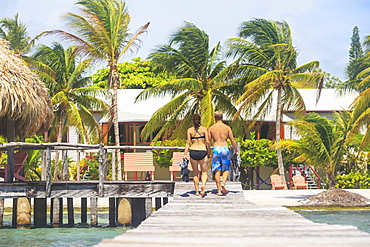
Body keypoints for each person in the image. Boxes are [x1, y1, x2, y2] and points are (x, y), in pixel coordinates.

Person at [208, 111, 238, 195]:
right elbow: (232, 140)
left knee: (217, 170)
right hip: (225, 148)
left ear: (214, 118)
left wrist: (208, 152)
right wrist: (236, 150)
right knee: (226, 169)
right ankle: (223, 183)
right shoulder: (227, 128)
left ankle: (218, 191)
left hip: (216, 148)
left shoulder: (211, 128)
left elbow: (208, 141)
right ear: (222, 117)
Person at [184, 114, 210, 196]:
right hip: (202, 151)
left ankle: (197, 191)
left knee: (195, 173)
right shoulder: (204, 129)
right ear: (200, 120)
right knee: (204, 172)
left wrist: (185, 154)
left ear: (192, 121)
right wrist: (208, 152)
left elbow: (188, 142)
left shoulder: (189, 130)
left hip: (193, 151)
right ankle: (203, 186)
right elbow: (208, 142)